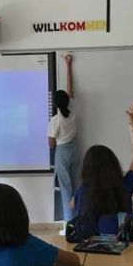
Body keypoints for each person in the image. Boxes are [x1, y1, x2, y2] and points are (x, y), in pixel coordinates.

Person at [59, 100, 133, 266]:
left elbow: (79, 223)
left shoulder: (82, 192)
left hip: (91, 256)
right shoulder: (125, 185)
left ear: (86, 169)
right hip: (125, 251)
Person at [48, 54, 80, 222]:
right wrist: (68, 65)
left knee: (66, 189)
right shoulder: (72, 110)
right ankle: (80, 219)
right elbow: (70, 87)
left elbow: (51, 142)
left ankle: (70, 223)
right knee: (77, 186)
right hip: (75, 149)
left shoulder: (55, 120)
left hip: (62, 152)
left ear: (54, 104)